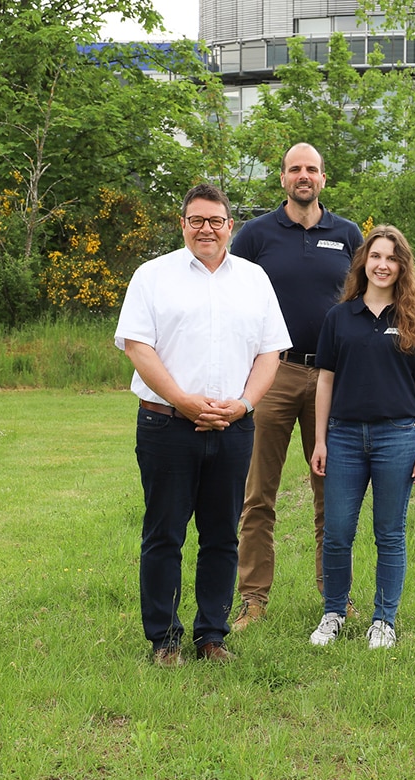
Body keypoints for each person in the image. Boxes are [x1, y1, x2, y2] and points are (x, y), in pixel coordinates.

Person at [114, 183, 290, 666]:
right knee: (164, 534)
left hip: (234, 428)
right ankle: (164, 640)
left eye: (215, 221)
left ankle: (212, 636)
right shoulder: (153, 276)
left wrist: (244, 405)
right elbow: (138, 347)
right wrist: (184, 401)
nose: (206, 229)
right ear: (183, 224)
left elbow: (270, 352)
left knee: (222, 536)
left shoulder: (254, 279)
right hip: (167, 425)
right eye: (196, 220)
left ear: (230, 226)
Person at [230, 142, 365, 631]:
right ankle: (253, 600)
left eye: (311, 169)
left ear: (323, 178)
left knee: (333, 493)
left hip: (333, 377)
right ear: (283, 178)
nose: (303, 176)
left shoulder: (347, 234)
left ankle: (336, 598)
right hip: (272, 374)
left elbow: (365, 300)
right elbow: (231, 298)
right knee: (257, 494)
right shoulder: (255, 235)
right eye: (294, 169)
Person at [307, 225, 415, 649]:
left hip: (398, 438)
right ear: (363, 262)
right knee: (337, 532)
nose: (383, 265)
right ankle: (333, 613)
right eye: (376, 256)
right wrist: (320, 440)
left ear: (402, 267)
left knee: (389, 533)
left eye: (391, 258)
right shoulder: (339, 317)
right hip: (344, 437)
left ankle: (384, 620)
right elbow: (325, 381)